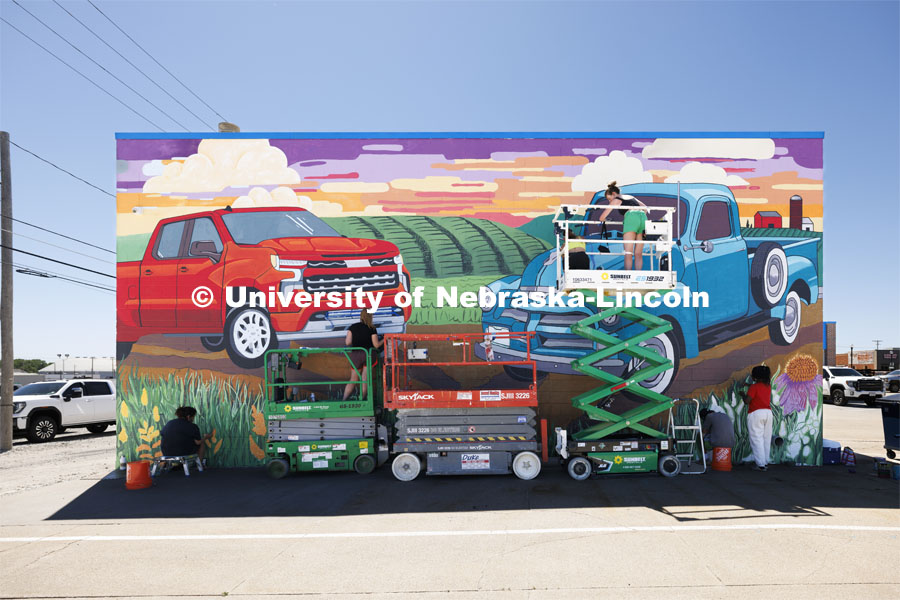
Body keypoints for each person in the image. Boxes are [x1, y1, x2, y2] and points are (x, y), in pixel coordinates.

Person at [594, 181, 648, 270]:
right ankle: (638, 275)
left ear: (614, 194)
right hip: (643, 217)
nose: (609, 201)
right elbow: (645, 208)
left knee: (628, 252)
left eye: (609, 199)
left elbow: (602, 217)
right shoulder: (631, 197)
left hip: (631, 217)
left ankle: (629, 277)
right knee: (638, 253)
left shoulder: (617, 199)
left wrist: (606, 220)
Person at [343, 308, 382, 401]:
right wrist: (384, 340)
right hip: (368, 354)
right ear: (370, 316)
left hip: (356, 354)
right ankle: (362, 401)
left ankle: (343, 400)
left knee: (353, 379)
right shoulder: (372, 328)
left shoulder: (352, 327)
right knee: (365, 379)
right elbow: (376, 345)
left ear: (361, 316)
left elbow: (348, 342)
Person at [740, 365, 773, 471]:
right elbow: (759, 387)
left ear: (756, 377)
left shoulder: (753, 387)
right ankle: (765, 462)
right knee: (766, 438)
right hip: (768, 413)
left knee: (756, 439)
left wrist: (742, 394)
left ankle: (760, 465)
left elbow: (747, 401)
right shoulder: (768, 386)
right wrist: (749, 385)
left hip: (756, 413)